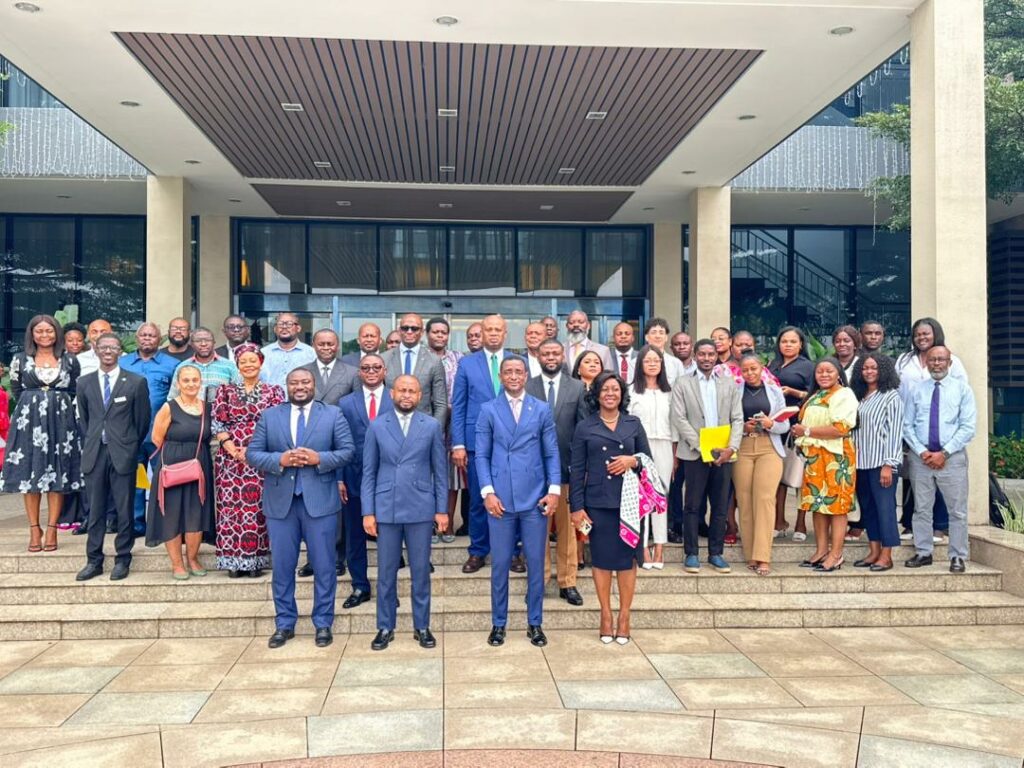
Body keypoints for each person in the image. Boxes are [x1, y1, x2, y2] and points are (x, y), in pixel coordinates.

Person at [247, 368, 355, 648]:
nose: (300, 386)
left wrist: (320, 458)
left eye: (305, 382)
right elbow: (253, 453)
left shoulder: (332, 414)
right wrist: (279, 460)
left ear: (313, 384)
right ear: (287, 386)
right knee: (283, 567)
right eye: (294, 382)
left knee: (324, 566)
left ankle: (323, 623)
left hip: (320, 502)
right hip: (281, 504)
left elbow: (347, 451)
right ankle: (284, 623)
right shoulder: (270, 416)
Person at [476, 357, 560, 647]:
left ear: (526, 376)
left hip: (534, 498)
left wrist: (553, 490)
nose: (513, 376)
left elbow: (551, 452)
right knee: (500, 564)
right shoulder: (488, 409)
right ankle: (498, 623)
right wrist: (487, 492)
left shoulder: (541, 409)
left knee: (535, 564)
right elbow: (481, 455)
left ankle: (534, 623)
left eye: (518, 372)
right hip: (499, 499)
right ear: (500, 376)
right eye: (508, 372)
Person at [362, 375, 448, 651]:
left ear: (420, 396)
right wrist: (368, 511)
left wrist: (442, 510)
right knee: (386, 573)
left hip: (420, 507)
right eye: (402, 390)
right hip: (386, 507)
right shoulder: (377, 425)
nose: (407, 395)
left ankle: (421, 626)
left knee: (420, 571)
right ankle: (385, 626)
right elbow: (369, 473)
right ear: (392, 393)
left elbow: (440, 472)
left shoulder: (431, 425)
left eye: (412, 391)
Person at [570, 371, 651, 644]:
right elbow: (576, 470)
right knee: (602, 560)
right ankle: (605, 614)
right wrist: (576, 508)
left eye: (615, 389)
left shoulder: (633, 423)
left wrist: (632, 461)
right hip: (597, 503)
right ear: (596, 394)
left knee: (627, 560)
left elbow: (647, 460)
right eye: (605, 389)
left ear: (622, 394)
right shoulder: (585, 427)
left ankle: (624, 616)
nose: (610, 394)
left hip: (629, 504)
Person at [1, 315, 83, 553]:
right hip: (29, 422)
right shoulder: (20, 359)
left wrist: (55, 405)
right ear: (31, 334)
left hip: (61, 422)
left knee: (57, 474)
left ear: (57, 333)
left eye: (49, 331)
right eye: (39, 331)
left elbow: (73, 389)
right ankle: (34, 529)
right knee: (30, 475)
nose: (44, 335)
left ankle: (52, 528)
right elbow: (17, 389)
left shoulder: (69, 360)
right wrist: (36, 404)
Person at [74, 334, 151, 582]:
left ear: (120, 351)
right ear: (96, 349)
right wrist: (95, 439)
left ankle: (123, 557)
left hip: (123, 453)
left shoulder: (136, 382)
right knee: (95, 509)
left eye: (113, 347)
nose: (108, 351)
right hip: (95, 453)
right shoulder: (84, 382)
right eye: (104, 347)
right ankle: (94, 559)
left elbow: (142, 421)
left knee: (124, 508)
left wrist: (129, 445)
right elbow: (85, 420)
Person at [451, 314, 519, 574]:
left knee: (511, 497)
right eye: (488, 329)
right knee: (479, 499)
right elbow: (459, 405)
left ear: (505, 333)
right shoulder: (467, 364)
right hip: (475, 442)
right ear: (482, 333)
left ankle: (513, 552)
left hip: (511, 443)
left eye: (497, 329)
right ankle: (478, 551)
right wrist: (458, 443)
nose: (492, 333)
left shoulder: (518, 362)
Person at [211, 343, 285, 578]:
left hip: (260, 457)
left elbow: (278, 423)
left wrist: (252, 450)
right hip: (231, 460)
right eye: (243, 362)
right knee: (230, 508)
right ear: (237, 365)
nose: (248, 365)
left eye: (253, 361)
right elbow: (218, 422)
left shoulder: (274, 392)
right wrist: (232, 449)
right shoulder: (225, 391)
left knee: (257, 509)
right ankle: (232, 560)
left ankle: (255, 560)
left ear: (261, 363)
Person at [903, 346, 976, 573]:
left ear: (949, 363)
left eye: (941, 359)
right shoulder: (917, 390)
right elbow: (907, 425)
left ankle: (957, 556)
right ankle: (923, 552)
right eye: (932, 359)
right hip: (921, 459)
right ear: (926, 363)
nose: (936, 363)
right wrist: (922, 451)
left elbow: (968, 427)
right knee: (922, 508)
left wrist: (944, 453)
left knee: (957, 511)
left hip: (952, 459)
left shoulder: (962, 390)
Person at [671, 339, 742, 574]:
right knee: (692, 505)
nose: (707, 358)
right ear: (695, 355)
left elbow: (737, 418)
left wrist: (731, 447)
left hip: (724, 454)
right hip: (695, 453)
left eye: (711, 354)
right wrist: (701, 446)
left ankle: (716, 553)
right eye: (702, 354)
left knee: (720, 506)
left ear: (716, 356)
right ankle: (691, 554)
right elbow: (679, 418)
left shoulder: (728, 383)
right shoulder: (683, 383)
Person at [526, 339, 588, 605]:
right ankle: (538, 582)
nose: (550, 357)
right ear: (538, 357)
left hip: (566, 469)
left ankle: (567, 582)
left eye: (555, 353)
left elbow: (583, 428)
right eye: (546, 354)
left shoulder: (577, 387)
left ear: (563, 356)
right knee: (536, 530)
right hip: (532, 471)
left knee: (566, 529)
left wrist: (582, 466)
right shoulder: (527, 386)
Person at [896, 317, 968, 541]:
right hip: (910, 426)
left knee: (941, 477)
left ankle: (939, 526)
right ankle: (910, 524)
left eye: (926, 333)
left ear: (936, 333)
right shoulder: (904, 360)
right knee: (913, 477)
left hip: (941, 431)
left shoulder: (952, 361)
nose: (922, 338)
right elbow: (896, 388)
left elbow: (961, 392)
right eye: (918, 334)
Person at [146, 364, 215, 578]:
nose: (191, 384)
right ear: (178, 383)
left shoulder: (208, 407)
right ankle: (177, 563)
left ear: (201, 382)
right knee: (171, 515)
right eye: (186, 380)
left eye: (195, 380)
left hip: (199, 464)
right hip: (172, 465)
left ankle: (193, 559)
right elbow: (156, 438)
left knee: (196, 513)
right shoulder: (169, 407)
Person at [791, 358, 858, 573]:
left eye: (829, 371)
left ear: (838, 373)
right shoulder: (816, 395)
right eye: (820, 371)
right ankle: (821, 551)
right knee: (817, 504)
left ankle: (836, 554)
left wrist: (806, 431)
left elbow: (840, 429)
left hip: (836, 459)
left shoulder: (844, 394)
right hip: (814, 457)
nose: (824, 375)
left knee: (836, 507)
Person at [338, 353, 394, 608]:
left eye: (376, 367)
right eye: (366, 368)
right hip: (354, 478)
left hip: (390, 480)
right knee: (355, 537)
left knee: (389, 537)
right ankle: (360, 586)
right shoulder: (346, 402)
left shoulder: (396, 397)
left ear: (384, 371)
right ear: (359, 372)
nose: (371, 371)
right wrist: (339, 478)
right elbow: (338, 441)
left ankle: (388, 590)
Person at [121, 322, 179, 536]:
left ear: (159, 339)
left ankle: (163, 523)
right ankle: (137, 523)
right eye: (143, 335)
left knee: (164, 479)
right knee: (136, 480)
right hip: (130, 434)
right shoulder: (122, 363)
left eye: (152, 336)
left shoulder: (172, 364)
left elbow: (177, 398)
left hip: (160, 434)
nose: (147, 339)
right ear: (137, 338)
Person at [733, 354, 788, 577]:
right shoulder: (734, 391)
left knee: (765, 499)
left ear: (762, 368)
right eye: (745, 370)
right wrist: (742, 428)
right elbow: (726, 421)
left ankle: (763, 556)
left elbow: (785, 425)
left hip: (768, 447)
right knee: (744, 500)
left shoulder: (774, 391)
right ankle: (751, 554)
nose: (750, 373)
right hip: (743, 447)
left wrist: (770, 423)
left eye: (753, 369)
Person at [849, 353, 904, 572]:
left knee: (885, 509)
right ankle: (873, 551)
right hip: (860, 463)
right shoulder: (859, 396)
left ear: (883, 370)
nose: (869, 372)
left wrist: (888, 465)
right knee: (868, 509)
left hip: (881, 464)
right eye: (865, 368)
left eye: (873, 368)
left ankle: (886, 555)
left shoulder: (891, 396)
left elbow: (895, 432)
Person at [627, 345, 674, 569]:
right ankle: (643, 546)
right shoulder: (631, 391)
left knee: (661, 497)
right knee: (643, 497)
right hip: (639, 450)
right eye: (648, 361)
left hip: (665, 445)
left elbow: (675, 423)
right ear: (640, 364)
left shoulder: (670, 391)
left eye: (656, 360)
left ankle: (660, 546)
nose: (653, 364)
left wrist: (676, 454)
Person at [767, 326, 816, 541]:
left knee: (798, 477)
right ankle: (779, 521)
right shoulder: (773, 365)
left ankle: (800, 524)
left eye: (793, 341)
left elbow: (815, 395)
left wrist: (794, 392)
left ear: (801, 344)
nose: (788, 345)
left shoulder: (808, 367)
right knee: (778, 477)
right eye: (784, 341)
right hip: (775, 427)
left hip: (798, 426)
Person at [426, 317, 463, 542]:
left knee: (451, 477)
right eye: (435, 332)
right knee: (428, 476)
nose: (440, 335)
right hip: (426, 423)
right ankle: (430, 524)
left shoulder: (458, 358)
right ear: (427, 334)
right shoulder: (422, 358)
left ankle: (446, 523)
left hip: (452, 425)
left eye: (443, 332)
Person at [382, 313, 447, 423]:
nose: (409, 331)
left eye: (414, 328)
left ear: (422, 332)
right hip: (390, 423)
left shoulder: (434, 361)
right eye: (405, 328)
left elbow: (440, 403)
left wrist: (435, 430)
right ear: (399, 331)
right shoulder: (384, 359)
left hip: (423, 425)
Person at [57, 321, 88, 533]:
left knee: (82, 467)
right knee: (65, 466)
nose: (75, 343)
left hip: (83, 419)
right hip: (62, 418)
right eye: (70, 340)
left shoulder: (90, 359)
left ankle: (84, 513)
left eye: (79, 340)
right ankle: (66, 514)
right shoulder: (57, 360)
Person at [167, 327, 242, 400]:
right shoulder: (182, 367)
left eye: (208, 340)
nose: (203, 344)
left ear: (214, 342)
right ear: (191, 344)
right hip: (190, 408)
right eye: (198, 341)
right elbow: (172, 397)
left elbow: (240, 394)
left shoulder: (229, 366)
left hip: (221, 408)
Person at [301, 329, 357, 406]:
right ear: (313, 346)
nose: (326, 348)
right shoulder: (302, 372)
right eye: (321, 344)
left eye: (330, 344)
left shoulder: (353, 373)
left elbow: (356, 404)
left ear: (338, 346)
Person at [261, 313, 316, 388]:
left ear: (298, 328)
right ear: (275, 329)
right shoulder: (263, 353)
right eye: (280, 324)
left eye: (289, 324)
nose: (284, 327)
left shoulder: (311, 353)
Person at [644, 318, 685, 385]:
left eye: (661, 333)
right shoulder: (635, 362)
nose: (657, 336)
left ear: (666, 337)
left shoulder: (676, 363)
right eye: (653, 332)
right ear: (646, 337)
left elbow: (681, 388)